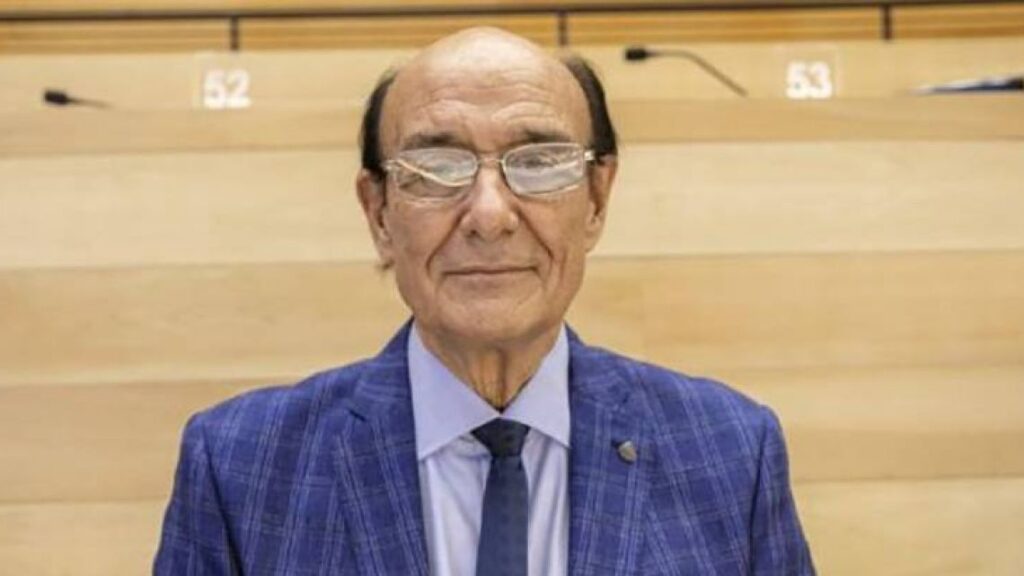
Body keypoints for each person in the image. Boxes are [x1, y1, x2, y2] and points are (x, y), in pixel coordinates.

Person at [155, 27, 814, 576]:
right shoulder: (242, 466)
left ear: (597, 199)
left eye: (539, 162)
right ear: (378, 210)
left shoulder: (730, 450)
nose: (490, 215)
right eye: (438, 168)